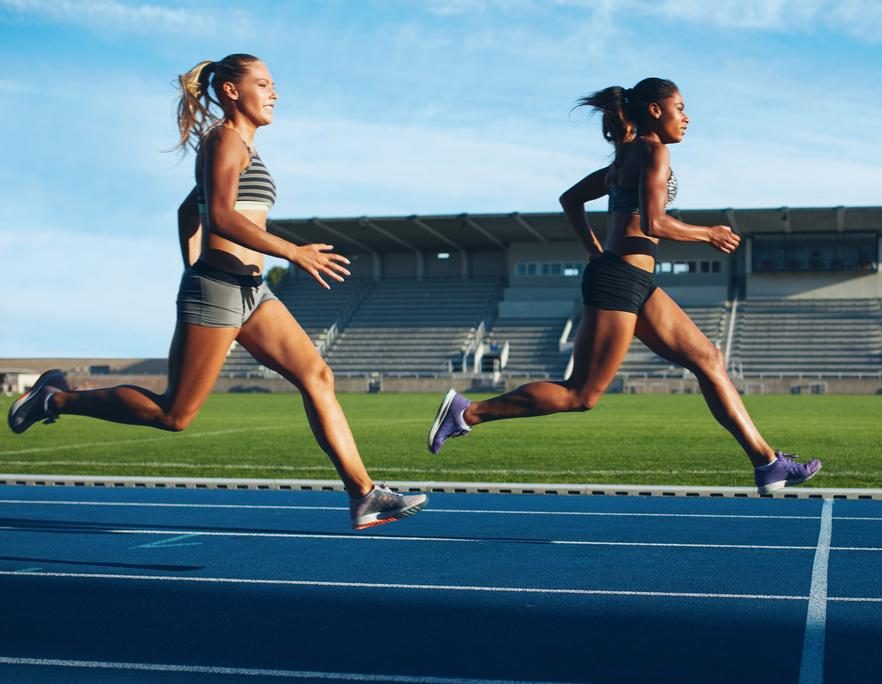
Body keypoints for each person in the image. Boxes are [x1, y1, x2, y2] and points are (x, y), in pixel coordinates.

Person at [7, 54, 426, 529]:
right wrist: (288, 254)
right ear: (231, 91)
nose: (275, 93)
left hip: (251, 292)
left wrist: (198, 265)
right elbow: (221, 217)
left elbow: (191, 212)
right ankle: (57, 398)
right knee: (175, 414)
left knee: (317, 376)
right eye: (264, 84)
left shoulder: (244, 148)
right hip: (219, 291)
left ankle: (364, 494)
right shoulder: (224, 140)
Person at [428, 78, 820, 495]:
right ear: (655, 110)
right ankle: (467, 413)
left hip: (633, 279)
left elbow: (570, 199)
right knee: (581, 395)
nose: (687, 118)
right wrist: (708, 233)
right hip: (618, 280)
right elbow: (653, 223)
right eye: (680, 108)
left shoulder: (627, 156)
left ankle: (767, 463)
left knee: (708, 358)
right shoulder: (652, 151)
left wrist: (595, 249)